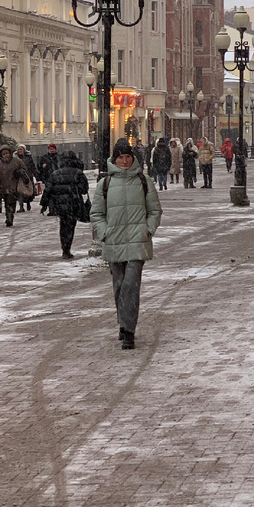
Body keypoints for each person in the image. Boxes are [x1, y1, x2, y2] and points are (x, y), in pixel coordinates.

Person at [90, 137, 162, 351]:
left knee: (130, 285)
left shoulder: (143, 181)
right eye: (120, 157)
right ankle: (123, 322)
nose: (124, 161)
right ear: (114, 159)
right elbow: (96, 213)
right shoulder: (105, 183)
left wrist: (148, 229)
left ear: (133, 158)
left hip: (137, 242)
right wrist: (104, 233)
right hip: (114, 241)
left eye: (127, 157)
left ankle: (129, 331)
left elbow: (154, 210)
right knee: (119, 285)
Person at [40, 151, 89, 258]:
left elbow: (48, 190)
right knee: (71, 225)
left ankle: (64, 248)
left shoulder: (55, 174)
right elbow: (84, 189)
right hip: (74, 203)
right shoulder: (78, 173)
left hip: (59, 204)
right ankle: (67, 248)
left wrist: (44, 204)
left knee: (63, 225)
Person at [0, 146, 31, 227]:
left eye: (7, 153)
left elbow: (23, 168)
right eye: (4, 154)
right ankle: (9, 216)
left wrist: (19, 172)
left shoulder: (16, 161)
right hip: (3, 186)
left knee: (11, 201)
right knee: (6, 202)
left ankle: (10, 217)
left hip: (14, 185)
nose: (6, 155)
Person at [14, 145, 38, 212]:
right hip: (18, 177)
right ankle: (21, 206)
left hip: (27, 176)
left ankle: (28, 203)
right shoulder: (15, 158)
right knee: (19, 191)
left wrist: (36, 175)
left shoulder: (28, 157)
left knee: (28, 191)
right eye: (18, 149)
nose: (20, 151)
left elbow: (32, 166)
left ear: (24, 150)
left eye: (21, 149)